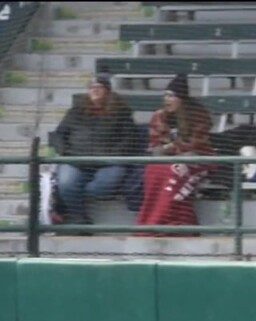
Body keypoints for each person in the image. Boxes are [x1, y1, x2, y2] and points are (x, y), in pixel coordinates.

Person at [51, 72, 140, 225]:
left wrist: (113, 155)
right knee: (66, 183)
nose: (95, 90)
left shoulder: (121, 113)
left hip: (109, 162)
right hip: (75, 159)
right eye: (91, 87)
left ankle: (67, 201)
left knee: (102, 186)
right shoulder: (75, 112)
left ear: (108, 91)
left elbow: (130, 139)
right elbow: (58, 135)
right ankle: (79, 218)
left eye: (99, 87)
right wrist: (65, 152)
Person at [135, 73, 214, 235]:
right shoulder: (159, 116)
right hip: (168, 160)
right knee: (152, 170)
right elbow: (155, 146)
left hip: (198, 160)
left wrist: (171, 147)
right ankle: (153, 222)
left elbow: (196, 145)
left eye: (171, 96)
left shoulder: (198, 115)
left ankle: (176, 223)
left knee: (175, 171)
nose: (166, 100)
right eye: (165, 95)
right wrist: (169, 148)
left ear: (181, 98)